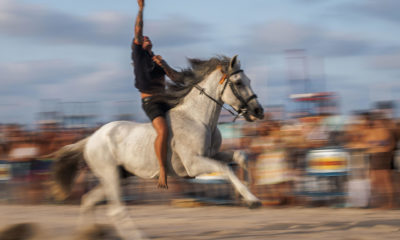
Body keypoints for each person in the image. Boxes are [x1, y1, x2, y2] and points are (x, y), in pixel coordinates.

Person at [131, 0, 182, 189]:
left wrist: (165, 64)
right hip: (151, 101)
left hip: (165, 99)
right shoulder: (138, 54)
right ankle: (162, 169)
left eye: (147, 38)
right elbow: (138, 29)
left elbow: (176, 78)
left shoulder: (156, 59)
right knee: (163, 130)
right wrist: (141, 9)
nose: (145, 38)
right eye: (143, 38)